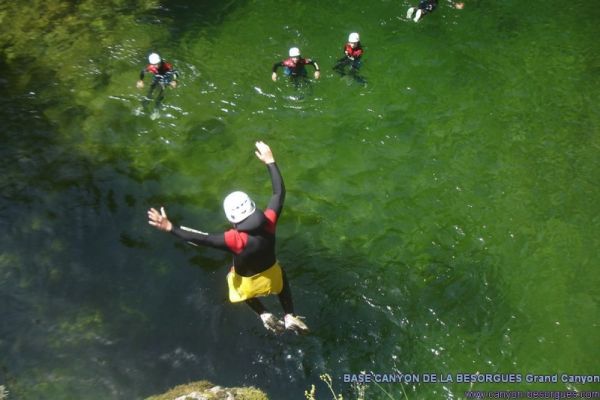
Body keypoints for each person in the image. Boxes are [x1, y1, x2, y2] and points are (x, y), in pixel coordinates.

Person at [147, 141, 309, 334]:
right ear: (251, 205)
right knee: (282, 276)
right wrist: (270, 161)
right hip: (272, 277)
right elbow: (279, 192)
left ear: (232, 219)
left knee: (234, 281)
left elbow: (202, 239)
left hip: (248, 285)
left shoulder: (234, 240)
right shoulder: (269, 221)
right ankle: (289, 315)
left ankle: (263, 314)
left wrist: (169, 226)